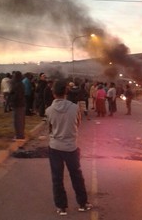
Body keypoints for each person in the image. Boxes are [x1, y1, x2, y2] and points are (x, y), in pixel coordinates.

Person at [45, 80, 92, 216]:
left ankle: (61, 207)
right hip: (71, 147)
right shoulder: (75, 108)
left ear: (54, 94)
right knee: (76, 175)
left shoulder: (49, 110)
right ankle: (83, 204)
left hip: (55, 147)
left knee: (57, 177)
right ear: (66, 92)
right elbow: (78, 124)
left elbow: (50, 129)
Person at [9, 71, 26, 140]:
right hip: (21, 104)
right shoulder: (21, 83)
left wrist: (11, 100)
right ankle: (21, 135)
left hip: (17, 105)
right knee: (21, 121)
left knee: (17, 121)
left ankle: (19, 136)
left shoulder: (17, 85)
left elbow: (16, 95)